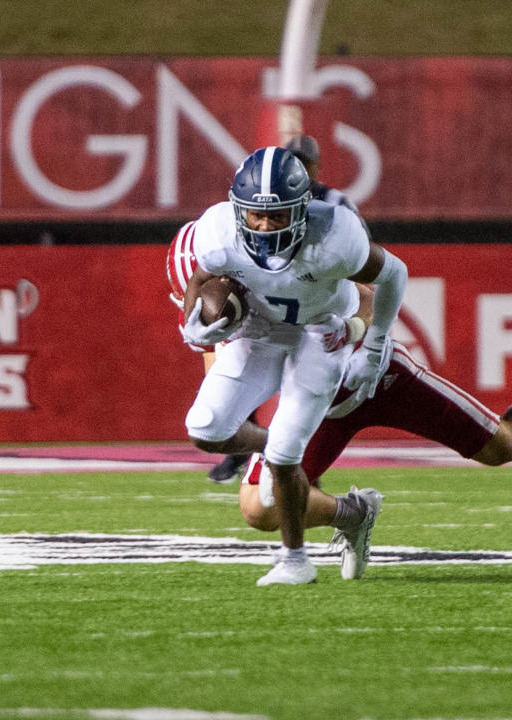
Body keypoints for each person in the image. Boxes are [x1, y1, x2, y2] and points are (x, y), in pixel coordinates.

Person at [169, 246, 512, 581]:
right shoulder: (211, 312)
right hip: (318, 406)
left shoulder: (281, 262)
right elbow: (225, 387)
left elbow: (362, 293)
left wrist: (362, 334)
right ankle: (353, 514)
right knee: (260, 504)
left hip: (376, 378)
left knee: (503, 445)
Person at [179, 145, 408, 586]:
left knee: (285, 454)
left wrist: (375, 339)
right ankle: (352, 512)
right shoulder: (217, 230)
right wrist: (196, 325)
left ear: (302, 208)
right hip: (261, 330)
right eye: (255, 215)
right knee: (206, 428)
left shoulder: (335, 235)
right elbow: (202, 280)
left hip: (322, 332)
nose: (264, 226)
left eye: (278, 216)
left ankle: (295, 560)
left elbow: (393, 272)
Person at [205, 134, 365, 484]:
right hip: (260, 308)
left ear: (315, 168)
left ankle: (293, 456)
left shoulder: (336, 209)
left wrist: (356, 321)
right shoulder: (246, 210)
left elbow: (362, 268)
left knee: (309, 387)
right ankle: (242, 450)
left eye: (305, 163)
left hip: (313, 308)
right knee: (222, 360)